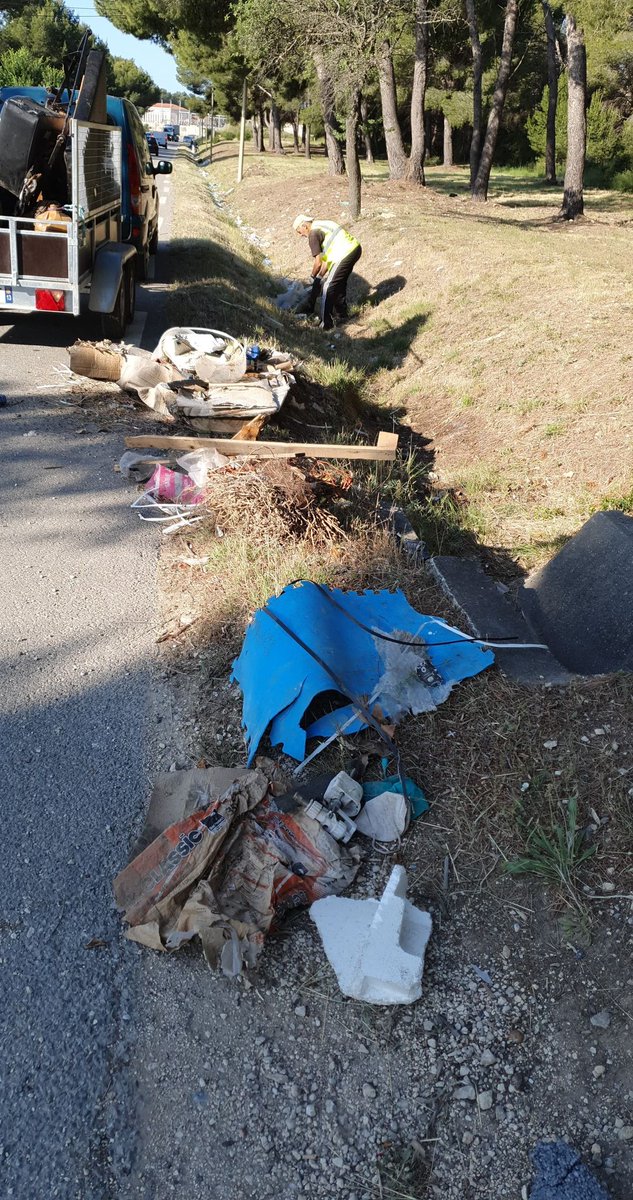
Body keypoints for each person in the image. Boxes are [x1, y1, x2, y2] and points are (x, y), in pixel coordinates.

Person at [292, 214, 362, 330]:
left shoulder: (313, 234)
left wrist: (311, 277)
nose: (301, 235)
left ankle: (326, 325)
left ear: (304, 226)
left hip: (344, 253)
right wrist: (319, 277)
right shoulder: (322, 225)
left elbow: (318, 262)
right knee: (338, 283)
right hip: (354, 248)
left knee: (328, 287)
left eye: (300, 232)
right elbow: (326, 259)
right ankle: (342, 315)